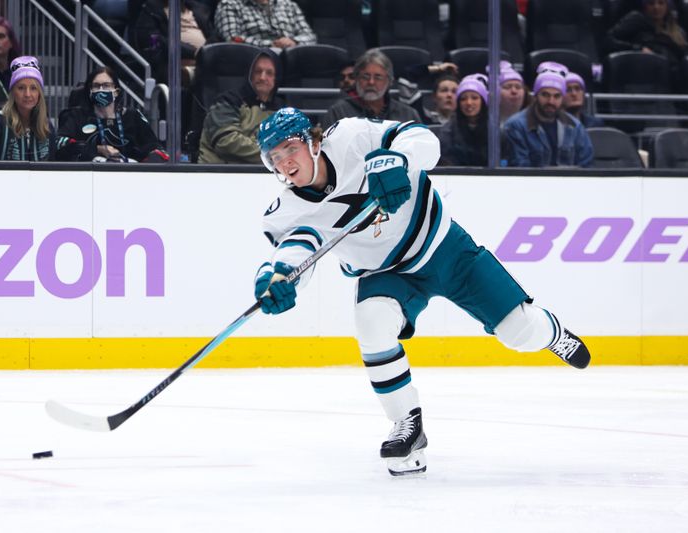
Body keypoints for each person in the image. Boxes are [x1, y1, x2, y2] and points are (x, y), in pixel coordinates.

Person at [253, 107, 591, 476]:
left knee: (519, 332)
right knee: (371, 320)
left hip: (445, 249)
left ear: (314, 141)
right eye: (275, 158)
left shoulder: (352, 136)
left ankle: (551, 333)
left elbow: (423, 139)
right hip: (388, 273)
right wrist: (278, 278)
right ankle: (406, 426)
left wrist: (396, 159)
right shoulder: (285, 211)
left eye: (290, 149)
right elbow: (296, 249)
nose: (285, 163)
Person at [56, 66, 169, 163]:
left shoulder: (133, 116)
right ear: (89, 91)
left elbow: (158, 150)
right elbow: (59, 143)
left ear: (116, 91)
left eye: (106, 85)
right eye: (96, 86)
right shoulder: (76, 116)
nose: (101, 89)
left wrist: (139, 167)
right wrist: (97, 149)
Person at [198, 49, 283, 163]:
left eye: (269, 73)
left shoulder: (281, 110)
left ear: (276, 78)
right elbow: (226, 142)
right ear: (250, 75)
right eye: (258, 71)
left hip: (262, 175)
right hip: (219, 174)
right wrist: (274, 155)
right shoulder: (227, 101)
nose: (263, 77)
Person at [503, 71, 594, 168]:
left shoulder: (575, 125)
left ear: (562, 98)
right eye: (545, 95)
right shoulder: (516, 125)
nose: (551, 101)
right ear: (535, 96)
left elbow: (586, 165)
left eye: (557, 96)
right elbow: (520, 167)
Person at [0, 56, 56, 161]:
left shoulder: (47, 126)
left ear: (39, 94)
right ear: (12, 93)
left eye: (33, 88)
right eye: (21, 88)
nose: (27, 94)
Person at [321, 48, 421, 129]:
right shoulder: (338, 112)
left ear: (389, 81)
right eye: (365, 76)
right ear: (357, 79)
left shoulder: (408, 115)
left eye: (378, 77)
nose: (371, 82)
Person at [133, 0, 216, 84]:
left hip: (203, 60)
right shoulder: (151, 10)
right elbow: (153, 40)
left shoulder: (198, 9)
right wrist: (193, 52)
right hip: (174, 63)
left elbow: (213, 36)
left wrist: (204, 53)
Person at [606, 0, 688, 82]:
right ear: (645, 6)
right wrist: (638, 49)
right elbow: (608, 41)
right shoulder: (636, 19)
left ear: (667, 6)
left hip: (670, 78)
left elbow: (685, 59)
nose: (656, 7)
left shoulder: (678, 32)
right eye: (651, 3)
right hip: (640, 74)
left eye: (661, 3)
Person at [214, 0, 316, 49]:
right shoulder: (229, 4)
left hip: (292, 60)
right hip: (251, 62)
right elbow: (232, 39)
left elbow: (310, 37)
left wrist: (294, 41)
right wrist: (270, 45)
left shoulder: (289, 5)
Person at [438, 74, 489, 166]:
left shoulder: (495, 132)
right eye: (463, 99)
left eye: (474, 98)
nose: (469, 103)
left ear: (483, 101)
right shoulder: (447, 132)